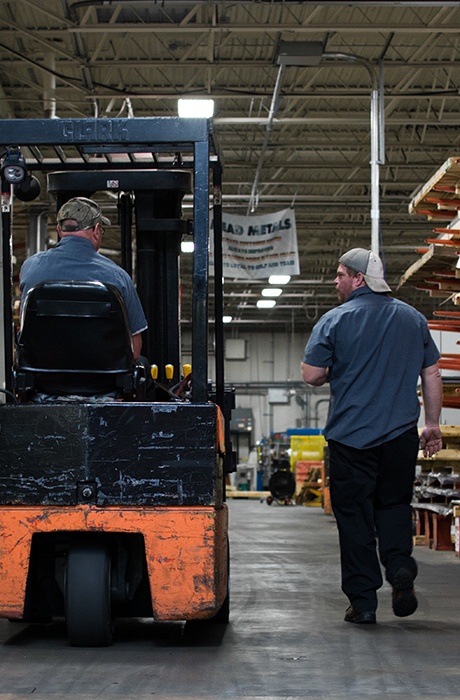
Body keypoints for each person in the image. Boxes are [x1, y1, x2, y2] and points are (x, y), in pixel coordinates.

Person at [301, 247, 443, 625]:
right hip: (399, 438)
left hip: (351, 441)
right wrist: (432, 424)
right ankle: (399, 568)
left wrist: (340, 368)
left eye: (340, 274)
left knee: (355, 518)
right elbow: (431, 374)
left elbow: (312, 375)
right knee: (394, 506)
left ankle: (363, 603)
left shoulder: (335, 320)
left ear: (358, 279)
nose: (335, 280)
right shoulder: (413, 319)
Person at [19, 196, 147, 359]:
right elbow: (134, 349)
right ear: (96, 230)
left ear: (59, 230)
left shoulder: (30, 267)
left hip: (42, 378)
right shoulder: (117, 277)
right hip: (102, 381)